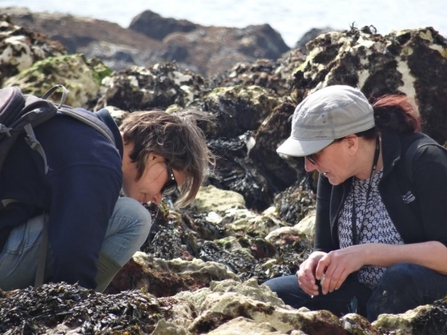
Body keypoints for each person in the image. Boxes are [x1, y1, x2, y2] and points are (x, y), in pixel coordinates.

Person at [264, 85, 447, 321]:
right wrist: (314, 263)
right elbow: (324, 247)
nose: (308, 166)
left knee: (399, 280)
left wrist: (366, 253)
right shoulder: (333, 175)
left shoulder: (424, 159)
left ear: (351, 143)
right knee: (274, 294)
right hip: (364, 294)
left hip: (427, 291)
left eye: (313, 155)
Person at [0, 107, 213, 292]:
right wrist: (80, 315)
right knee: (135, 218)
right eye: (169, 185)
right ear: (155, 155)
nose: (158, 199)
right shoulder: (100, 163)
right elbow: (73, 254)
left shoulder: (82, 125)